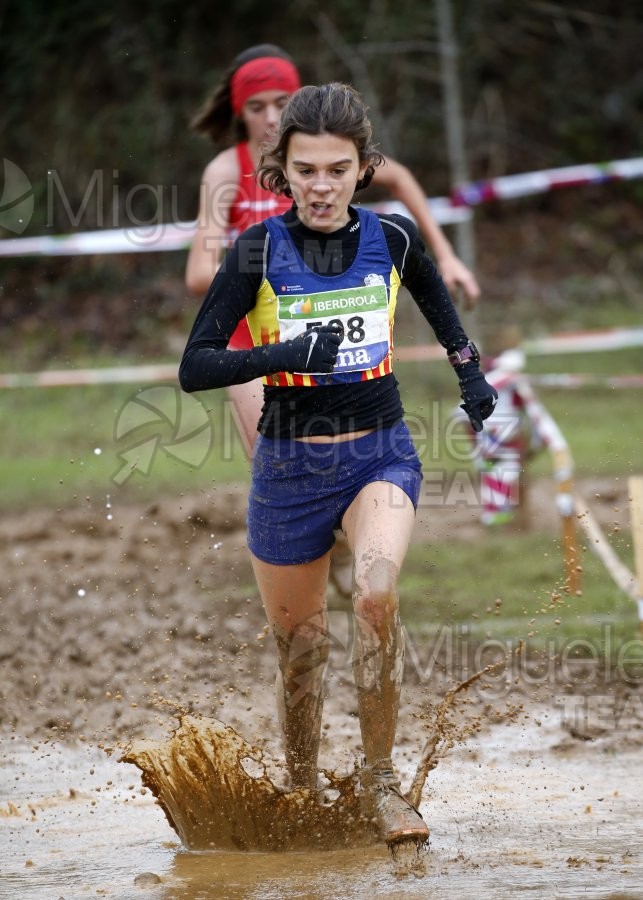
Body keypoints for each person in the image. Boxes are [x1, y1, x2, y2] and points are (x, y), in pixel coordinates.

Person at [179, 82, 497, 846]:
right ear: (281, 171)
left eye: (337, 170)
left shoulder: (393, 239)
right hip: (288, 472)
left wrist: (469, 374)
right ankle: (302, 787)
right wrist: (285, 354)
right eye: (305, 171)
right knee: (302, 654)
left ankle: (383, 785)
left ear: (363, 169)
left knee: (376, 597)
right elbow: (196, 365)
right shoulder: (258, 250)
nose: (321, 187)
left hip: (377, 456)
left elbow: (440, 311)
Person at [185, 44, 481, 597]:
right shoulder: (225, 171)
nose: (270, 116)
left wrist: (445, 255)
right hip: (254, 335)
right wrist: (255, 269)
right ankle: (305, 544)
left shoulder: (329, 147)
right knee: (275, 455)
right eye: (257, 107)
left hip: (337, 324)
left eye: (281, 103)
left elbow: (402, 182)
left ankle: (350, 541)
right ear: (240, 113)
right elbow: (198, 271)